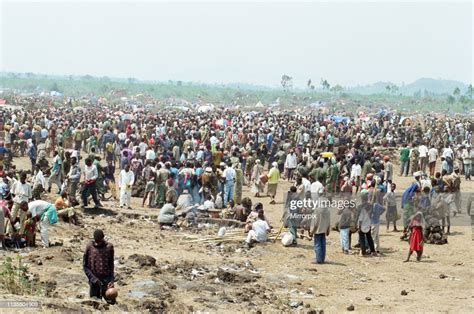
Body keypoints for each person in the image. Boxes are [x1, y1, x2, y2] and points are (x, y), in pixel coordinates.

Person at [83, 229, 116, 304]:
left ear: (103, 238)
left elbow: (111, 265)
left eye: (100, 241)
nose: (98, 243)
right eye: (97, 241)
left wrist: (111, 280)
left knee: (111, 302)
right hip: (94, 281)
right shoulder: (89, 247)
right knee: (94, 303)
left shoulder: (109, 247)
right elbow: (85, 267)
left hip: (106, 280)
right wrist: (94, 279)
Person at [309, 193, 331, 264]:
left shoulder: (317, 210)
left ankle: (318, 260)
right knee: (323, 245)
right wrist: (328, 231)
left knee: (318, 245)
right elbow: (328, 222)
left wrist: (311, 232)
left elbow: (314, 223)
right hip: (324, 230)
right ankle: (322, 259)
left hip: (317, 230)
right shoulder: (327, 211)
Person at [357, 191, 377, 256]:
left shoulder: (360, 207)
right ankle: (373, 251)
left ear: (362, 198)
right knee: (369, 237)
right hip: (368, 223)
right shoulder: (370, 206)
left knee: (361, 238)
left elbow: (359, 217)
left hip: (362, 224)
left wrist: (359, 226)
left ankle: (363, 252)